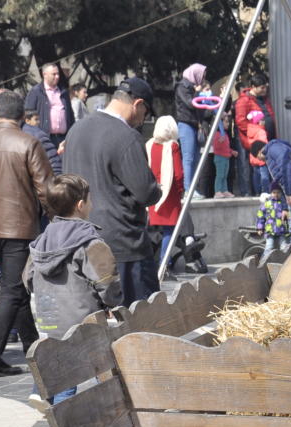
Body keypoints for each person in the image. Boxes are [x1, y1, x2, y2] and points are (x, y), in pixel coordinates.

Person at [29, 173, 123, 427]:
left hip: (49, 321)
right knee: (104, 378)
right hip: (85, 322)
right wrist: (112, 303)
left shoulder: (42, 240)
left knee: (63, 385)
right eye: (90, 199)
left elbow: (27, 278)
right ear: (81, 204)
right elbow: (106, 280)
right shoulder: (89, 241)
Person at [0, 90, 53, 376]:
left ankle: (33, 348)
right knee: (13, 291)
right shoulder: (29, 143)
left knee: (16, 290)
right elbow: (45, 189)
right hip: (20, 226)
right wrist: (53, 221)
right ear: (23, 116)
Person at [61, 77, 162, 305]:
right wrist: (159, 189)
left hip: (81, 241)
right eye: (145, 113)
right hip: (123, 245)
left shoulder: (76, 130)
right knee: (140, 323)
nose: (142, 120)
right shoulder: (126, 136)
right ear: (138, 104)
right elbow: (146, 192)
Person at [146, 116, 184, 272]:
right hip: (169, 192)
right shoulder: (172, 146)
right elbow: (178, 174)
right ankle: (164, 263)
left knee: (151, 230)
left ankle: (150, 262)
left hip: (153, 190)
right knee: (170, 229)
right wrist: (181, 190)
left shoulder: (149, 144)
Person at [173, 63, 209, 200]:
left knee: (196, 158)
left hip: (195, 124)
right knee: (188, 158)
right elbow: (190, 103)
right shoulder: (182, 86)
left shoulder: (192, 87)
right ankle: (188, 189)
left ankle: (193, 188)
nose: (203, 79)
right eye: (202, 76)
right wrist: (198, 92)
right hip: (185, 124)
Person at [24, 63, 75, 147]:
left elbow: (70, 115)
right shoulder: (36, 92)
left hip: (64, 138)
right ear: (45, 75)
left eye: (58, 74)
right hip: (45, 139)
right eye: (54, 74)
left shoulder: (63, 92)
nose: (57, 76)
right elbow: (27, 115)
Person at [23, 110, 62, 175]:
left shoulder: (36, 134)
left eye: (38, 119)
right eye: (36, 119)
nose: (38, 122)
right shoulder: (37, 134)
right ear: (27, 121)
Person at [256, 185, 291, 252]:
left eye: (278, 192)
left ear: (281, 193)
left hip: (281, 230)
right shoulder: (267, 204)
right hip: (270, 231)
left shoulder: (283, 205)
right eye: (274, 192)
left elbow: (288, 217)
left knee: (284, 247)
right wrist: (260, 228)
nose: (276, 194)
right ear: (271, 193)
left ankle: (284, 261)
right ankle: (264, 260)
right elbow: (260, 216)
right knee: (269, 247)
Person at [210, 118, 236, 199]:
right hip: (219, 157)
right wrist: (219, 141)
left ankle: (224, 190)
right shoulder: (217, 134)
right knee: (220, 175)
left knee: (225, 175)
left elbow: (226, 147)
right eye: (226, 122)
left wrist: (232, 152)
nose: (228, 124)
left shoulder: (225, 134)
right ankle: (217, 191)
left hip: (226, 158)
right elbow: (215, 146)